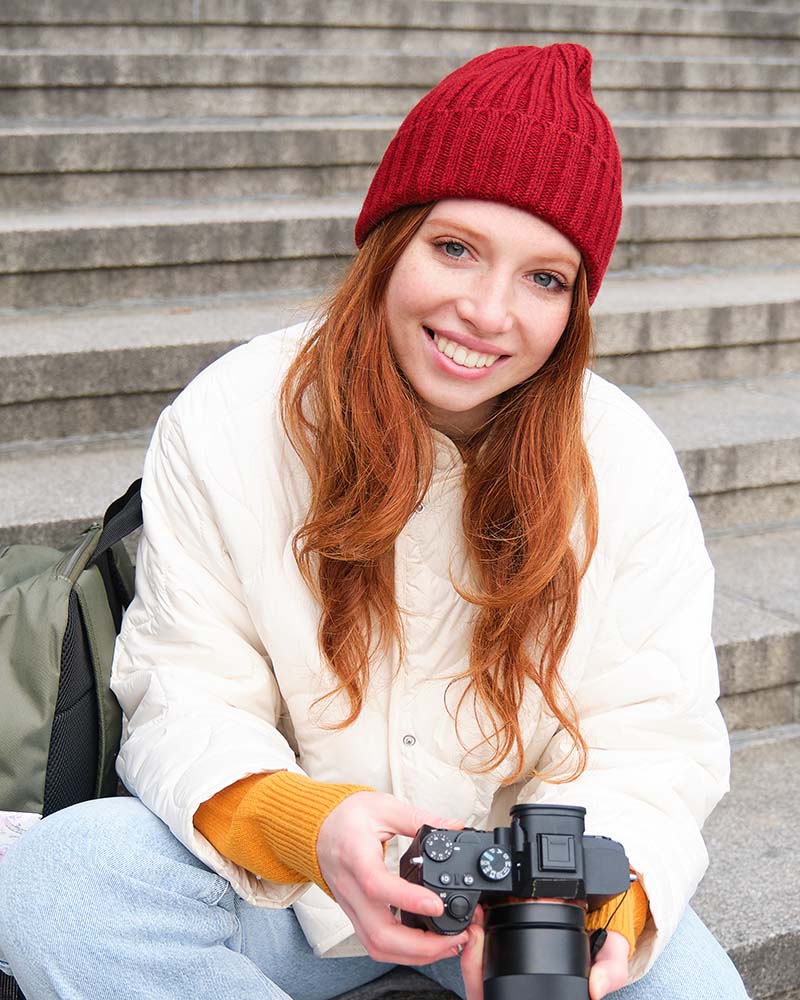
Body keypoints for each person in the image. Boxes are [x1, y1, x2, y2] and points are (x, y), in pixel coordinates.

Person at [0, 44, 750, 1000]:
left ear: (578, 304)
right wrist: (307, 825)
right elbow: (187, 693)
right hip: (284, 896)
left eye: (545, 279)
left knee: (695, 987)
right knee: (66, 880)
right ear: (389, 239)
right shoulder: (231, 416)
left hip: (508, 924)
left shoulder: (623, 460)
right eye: (455, 248)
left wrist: (578, 907)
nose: (486, 312)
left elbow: (651, 738)